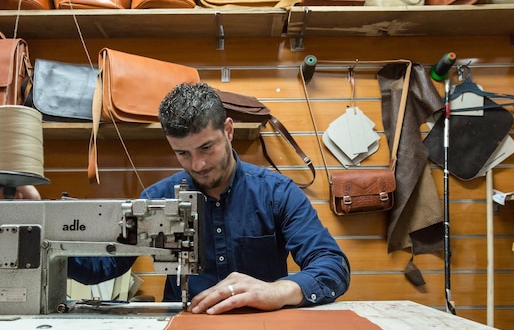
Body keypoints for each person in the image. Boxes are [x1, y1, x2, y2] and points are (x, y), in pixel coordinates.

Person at [68, 82, 350, 314]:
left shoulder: (278, 193)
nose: (198, 164)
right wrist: (40, 229)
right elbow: (102, 266)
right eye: (183, 153)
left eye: (206, 147)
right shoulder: (159, 198)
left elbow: (332, 265)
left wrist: (278, 289)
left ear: (228, 130)